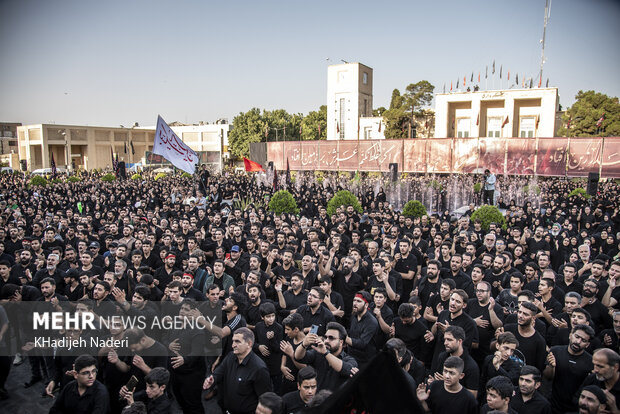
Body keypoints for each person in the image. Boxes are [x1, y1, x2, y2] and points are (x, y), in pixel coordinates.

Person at [203, 327, 272, 414]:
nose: (233, 345)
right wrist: (212, 379)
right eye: (233, 341)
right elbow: (219, 372)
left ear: (249, 344)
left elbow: (265, 399)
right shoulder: (231, 356)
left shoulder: (259, 369)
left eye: (237, 341)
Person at [544, 324, 596, 413]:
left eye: (583, 340)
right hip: (552, 403)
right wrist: (551, 366)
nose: (578, 341)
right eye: (577, 337)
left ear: (587, 344)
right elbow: (547, 377)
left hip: (574, 408)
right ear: (570, 335)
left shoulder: (591, 362)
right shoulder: (555, 351)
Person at [294, 321, 358, 392]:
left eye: (331, 338)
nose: (327, 341)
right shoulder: (318, 353)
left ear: (341, 342)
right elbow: (298, 357)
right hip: (316, 399)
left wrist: (325, 353)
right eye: (326, 337)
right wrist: (304, 345)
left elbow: (345, 369)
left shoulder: (349, 360)